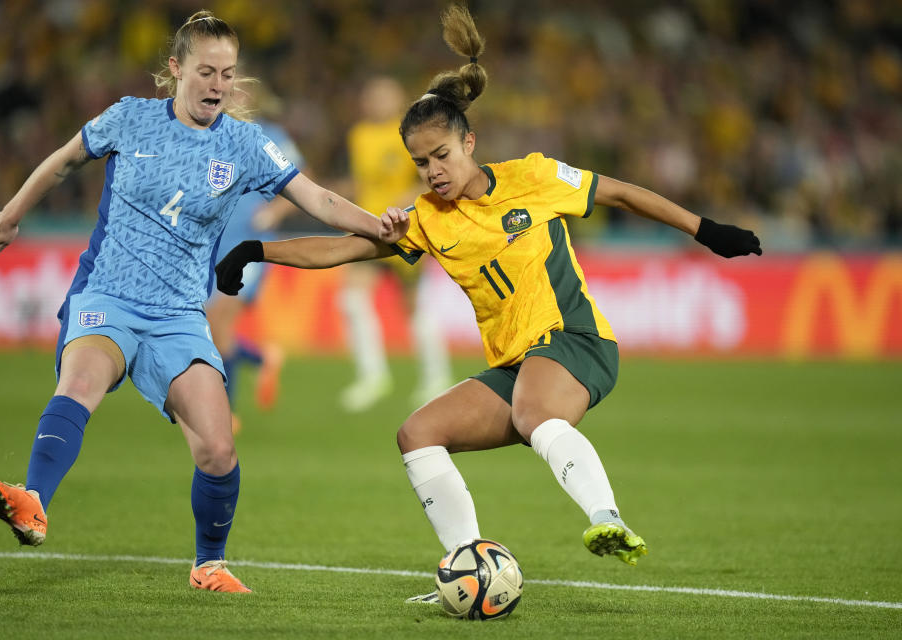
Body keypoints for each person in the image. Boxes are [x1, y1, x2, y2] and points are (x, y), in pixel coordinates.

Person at [215, 4, 761, 601]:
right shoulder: (426, 219)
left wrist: (706, 230)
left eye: (442, 156)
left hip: (576, 341)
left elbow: (623, 194)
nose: (432, 172)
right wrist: (256, 250)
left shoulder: (533, 177)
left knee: (535, 415)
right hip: (516, 365)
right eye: (420, 163)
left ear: (469, 141)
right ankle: (468, 566)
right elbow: (343, 249)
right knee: (417, 432)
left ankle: (606, 516)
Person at [0, 10, 405, 593]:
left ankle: (209, 564)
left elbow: (321, 200)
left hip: (180, 315)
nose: (218, 86)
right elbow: (64, 160)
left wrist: (380, 227)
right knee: (79, 386)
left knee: (218, 445)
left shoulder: (246, 144)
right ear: (176, 69)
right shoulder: (129, 119)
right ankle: (33, 500)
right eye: (206, 71)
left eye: (228, 74)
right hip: (109, 295)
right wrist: (11, 213)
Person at [337, 75, 452, 412]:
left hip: (406, 229)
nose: (376, 102)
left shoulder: (410, 137)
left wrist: (402, 206)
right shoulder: (358, 136)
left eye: (384, 96)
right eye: (371, 95)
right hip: (369, 228)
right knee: (351, 298)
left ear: (399, 101)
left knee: (414, 307)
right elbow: (362, 183)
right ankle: (372, 377)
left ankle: (437, 376)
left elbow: (424, 179)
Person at [205, 84, 303, 431]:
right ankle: (263, 357)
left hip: (249, 246)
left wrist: (274, 212)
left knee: (220, 325)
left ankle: (225, 414)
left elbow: (300, 180)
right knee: (209, 328)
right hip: (210, 245)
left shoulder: (269, 136)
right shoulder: (207, 136)